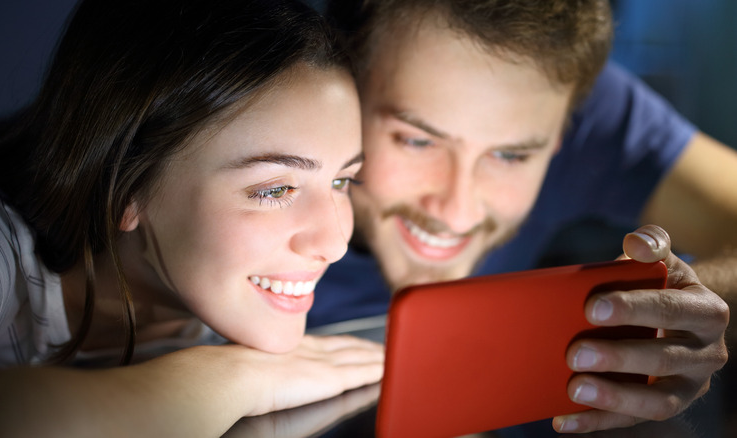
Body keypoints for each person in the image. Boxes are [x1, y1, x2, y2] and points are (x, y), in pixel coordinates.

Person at [0, 0, 383, 436]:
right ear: (124, 186)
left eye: (341, 181)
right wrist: (236, 379)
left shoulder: (230, 285)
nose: (334, 243)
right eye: (276, 189)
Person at [309, 0, 734, 434]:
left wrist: (682, 307)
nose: (458, 213)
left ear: (563, 136)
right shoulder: (256, 92)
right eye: (417, 141)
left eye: (510, 155)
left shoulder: (556, 86)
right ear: (340, 81)